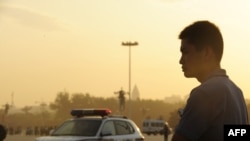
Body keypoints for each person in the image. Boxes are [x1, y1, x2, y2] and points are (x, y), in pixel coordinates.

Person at [171, 21, 249, 141]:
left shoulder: (205, 94)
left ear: (207, 53)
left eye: (186, 52)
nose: (181, 60)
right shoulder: (237, 93)